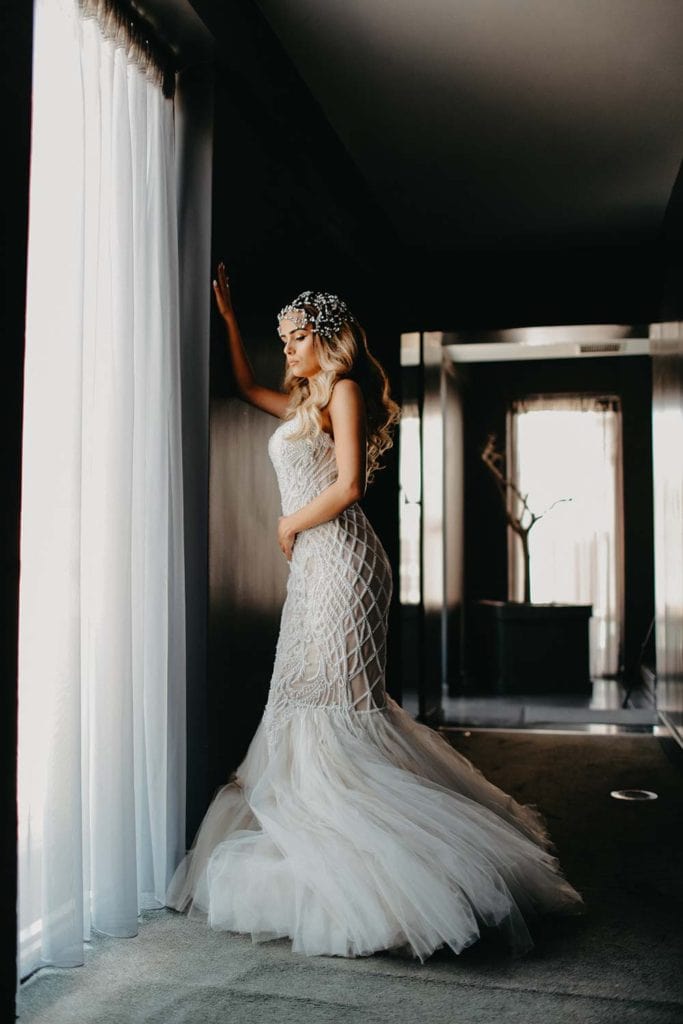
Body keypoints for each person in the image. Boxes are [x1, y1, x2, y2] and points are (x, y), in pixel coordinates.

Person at [165, 263, 586, 961]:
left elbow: (351, 484)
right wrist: (231, 321)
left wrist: (288, 524)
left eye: (296, 338)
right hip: (315, 567)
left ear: (327, 340)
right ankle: (318, 827)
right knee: (305, 697)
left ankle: (386, 855)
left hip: (344, 562)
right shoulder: (305, 404)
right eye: (284, 338)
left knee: (339, 703)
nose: (288, 350)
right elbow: (242, 388)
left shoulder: (349, 389)